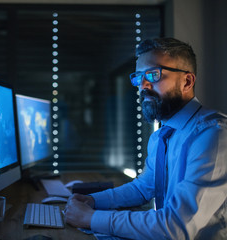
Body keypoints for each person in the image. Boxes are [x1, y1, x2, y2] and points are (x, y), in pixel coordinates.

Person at [64, 38, 227, 239]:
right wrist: (93, 201)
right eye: (139, 76)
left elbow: (176, 227)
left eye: (153, 74)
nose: (142, 85)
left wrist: (91, 218)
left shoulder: (214, 136)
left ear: (187, 81)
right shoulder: (161, 136)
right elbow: (143, 188)